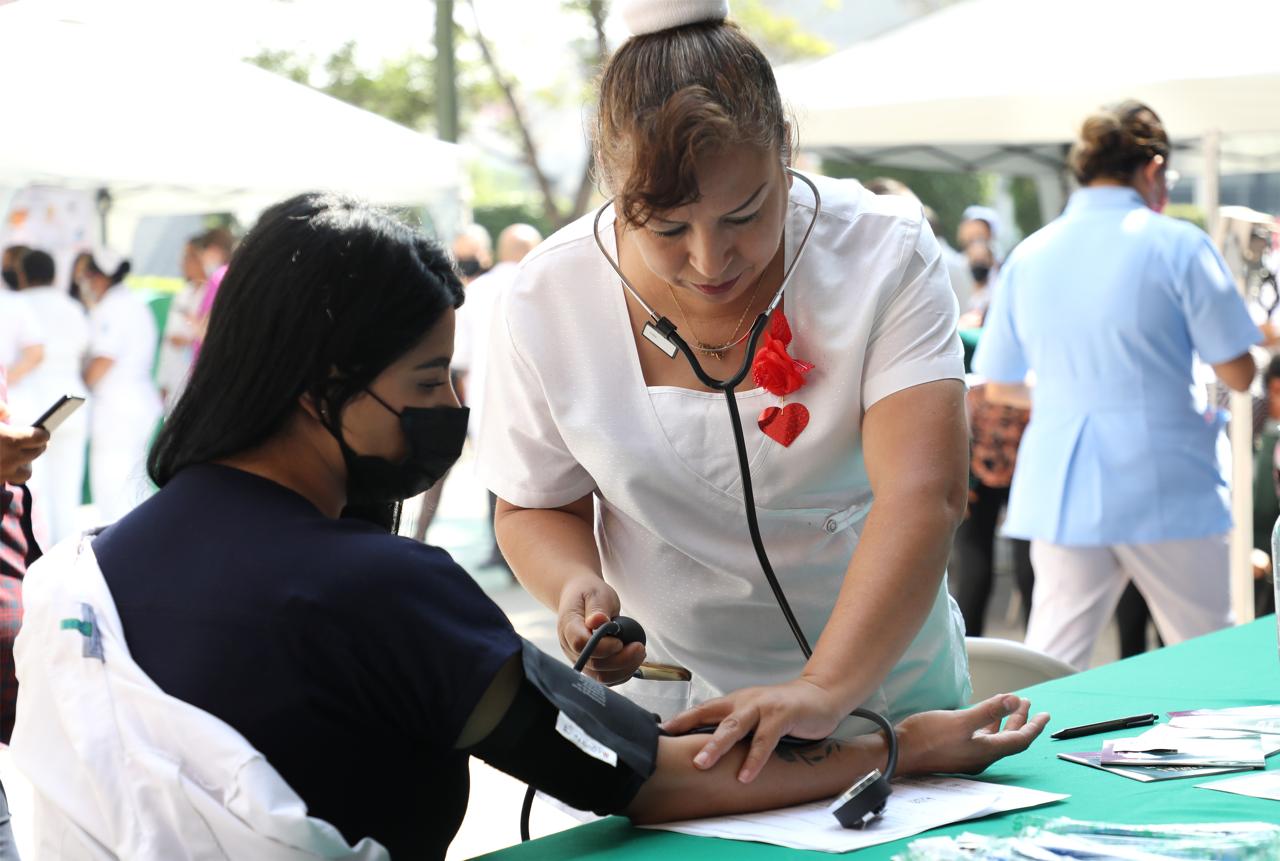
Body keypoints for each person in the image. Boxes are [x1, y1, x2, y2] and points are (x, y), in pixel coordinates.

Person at [10, 193, 1047, 860]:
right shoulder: (377, 590)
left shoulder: (95, 565)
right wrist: (906, 745)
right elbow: (640, 775)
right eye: (424, 382)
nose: (445, 412)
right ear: (319, 392)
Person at [478, 2, 973, 783]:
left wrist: (823, 688)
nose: (711, 259)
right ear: (613, 189)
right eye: (666, 227)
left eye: (746, 213)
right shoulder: (546, 298)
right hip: (679, 715)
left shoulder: (885, 251)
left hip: (887, 692)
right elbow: (535, 503)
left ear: (786, 154)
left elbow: (927, 492)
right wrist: (576, 585)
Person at [974, 100, 1260, 670]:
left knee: (1051, 661)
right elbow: (1239, 372)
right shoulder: (1176, 243)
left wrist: (1073, 393)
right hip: (1166, 476)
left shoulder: (1029, 254)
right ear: (1152, 168)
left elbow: (1001, 384)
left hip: (1064, 482)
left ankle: (1025, 759)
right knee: (1207, 652)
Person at [453, 223, 543, 570]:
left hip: (485, 399)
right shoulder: (546, 283)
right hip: (539, 401)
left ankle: (504, 552)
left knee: (496, 475)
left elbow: (460, 356)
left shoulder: (477, 291)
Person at [8, 249, 90, 546]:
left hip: (33, 400)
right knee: (67, 491)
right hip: (72, 399)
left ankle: (38, 560)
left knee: (34, 490)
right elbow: (85, 348)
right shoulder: (73, 307)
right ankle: (68, 560)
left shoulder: (16, 303)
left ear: (22, 274)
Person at [80, 248, 163, 523]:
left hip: (118, 408)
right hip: (138, 402)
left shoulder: (111, 308)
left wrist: (80, 386)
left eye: (88, 276)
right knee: (133, 488)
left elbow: (104, 357)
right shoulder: (134, 303)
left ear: (100, 277)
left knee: (112, 488)